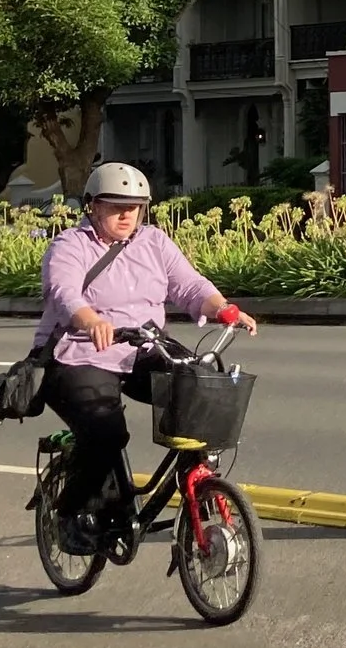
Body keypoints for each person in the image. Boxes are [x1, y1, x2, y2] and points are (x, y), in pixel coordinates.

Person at [35, 162, 257, 554]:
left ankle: (198, 480)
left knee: (200, 390)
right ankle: (69, 512)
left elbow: (189, 285)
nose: (126, 215)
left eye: (134, 207)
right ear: (92, 206)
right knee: (105, 433)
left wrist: (223, 308)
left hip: (144, 348)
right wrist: (90, 320)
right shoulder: (71, 245)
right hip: (81, 354)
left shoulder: (154, 242)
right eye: (115, 206)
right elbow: (63, 291)